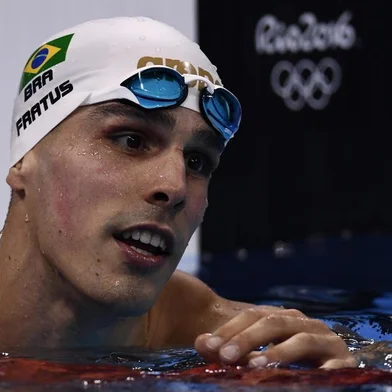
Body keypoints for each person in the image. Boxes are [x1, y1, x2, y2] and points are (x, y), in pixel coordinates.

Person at [0, 16, 356, 369]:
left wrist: (349, 375)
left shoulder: (237, 347)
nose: (175, 186)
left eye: (198, 162)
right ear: (24, 160)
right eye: (131, 141)